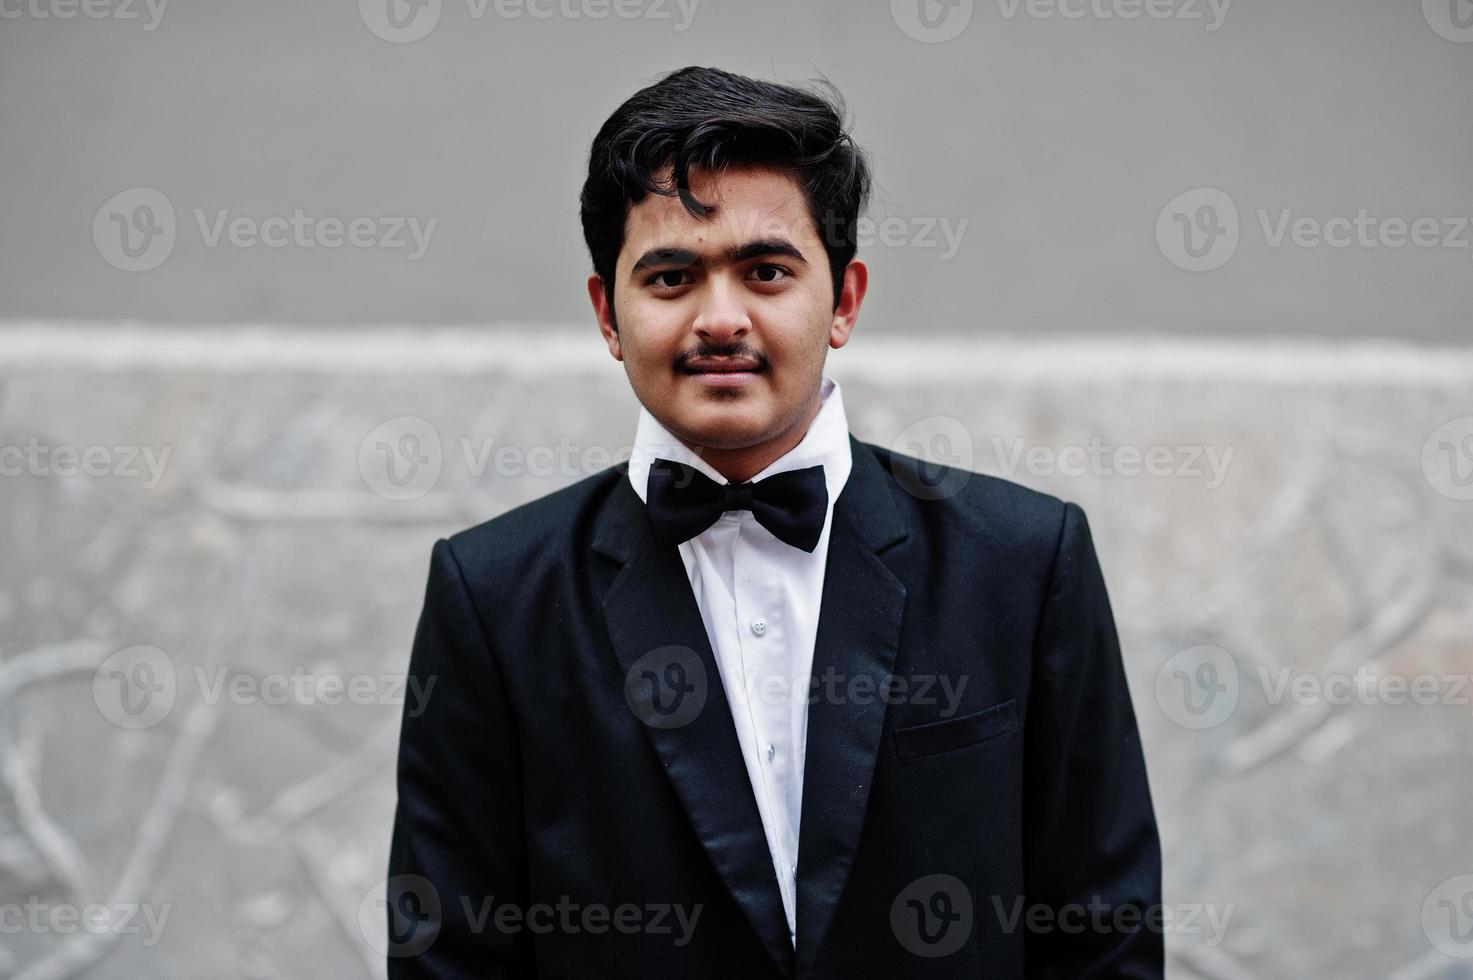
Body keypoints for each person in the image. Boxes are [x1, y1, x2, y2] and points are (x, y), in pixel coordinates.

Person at [387, 65, 1162, 978]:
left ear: (843, 301)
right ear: (607, 314)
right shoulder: (492, 594)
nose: (722, 319)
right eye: (671, 276)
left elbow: (1102, 933)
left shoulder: (1025, 560)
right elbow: (448, 956)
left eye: (765, 271)